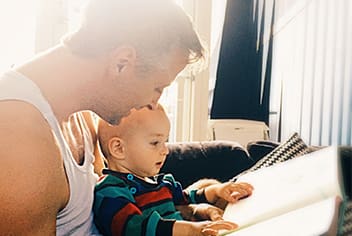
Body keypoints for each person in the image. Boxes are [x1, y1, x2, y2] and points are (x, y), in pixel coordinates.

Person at [0, 0, 205, 234]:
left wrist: (185, 214)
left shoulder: (84, 111)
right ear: (121, 63)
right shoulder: (18, 139)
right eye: (158, 87)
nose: (153, 103)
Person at [95, 105, 253, 236]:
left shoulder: (163, 182)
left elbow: (187, 199)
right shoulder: (111, 190)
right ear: (118, 148)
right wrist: (190, 230)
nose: (165, 151)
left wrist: (217, 191)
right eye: (155, 142)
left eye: (165, 141)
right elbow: (132, 228)